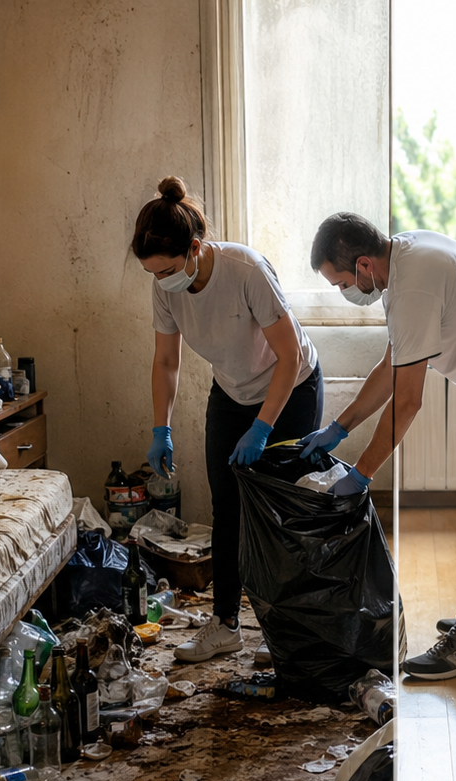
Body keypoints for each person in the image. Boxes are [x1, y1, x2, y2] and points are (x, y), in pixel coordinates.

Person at [302, 213, 456, 680]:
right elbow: (390, 366)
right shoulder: (403, 254)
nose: (345, 293)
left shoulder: (411, 290)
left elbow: (408, 401)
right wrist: (340, 425)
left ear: (362, 266)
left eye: (341, 284)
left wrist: (361, 474)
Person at [133, 176, 323, 665]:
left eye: (169, 269)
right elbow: (166, 361)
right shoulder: (166, 289)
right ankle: (225, 625)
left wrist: (263, 427)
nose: (162, 280)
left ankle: (291, 629)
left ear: (195, 249)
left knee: (283, 511)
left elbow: (290, 355)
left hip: (291, 387)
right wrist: (162, 427)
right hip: (232, 391)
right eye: (154, 274)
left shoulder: (245, 270)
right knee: (228, 509)